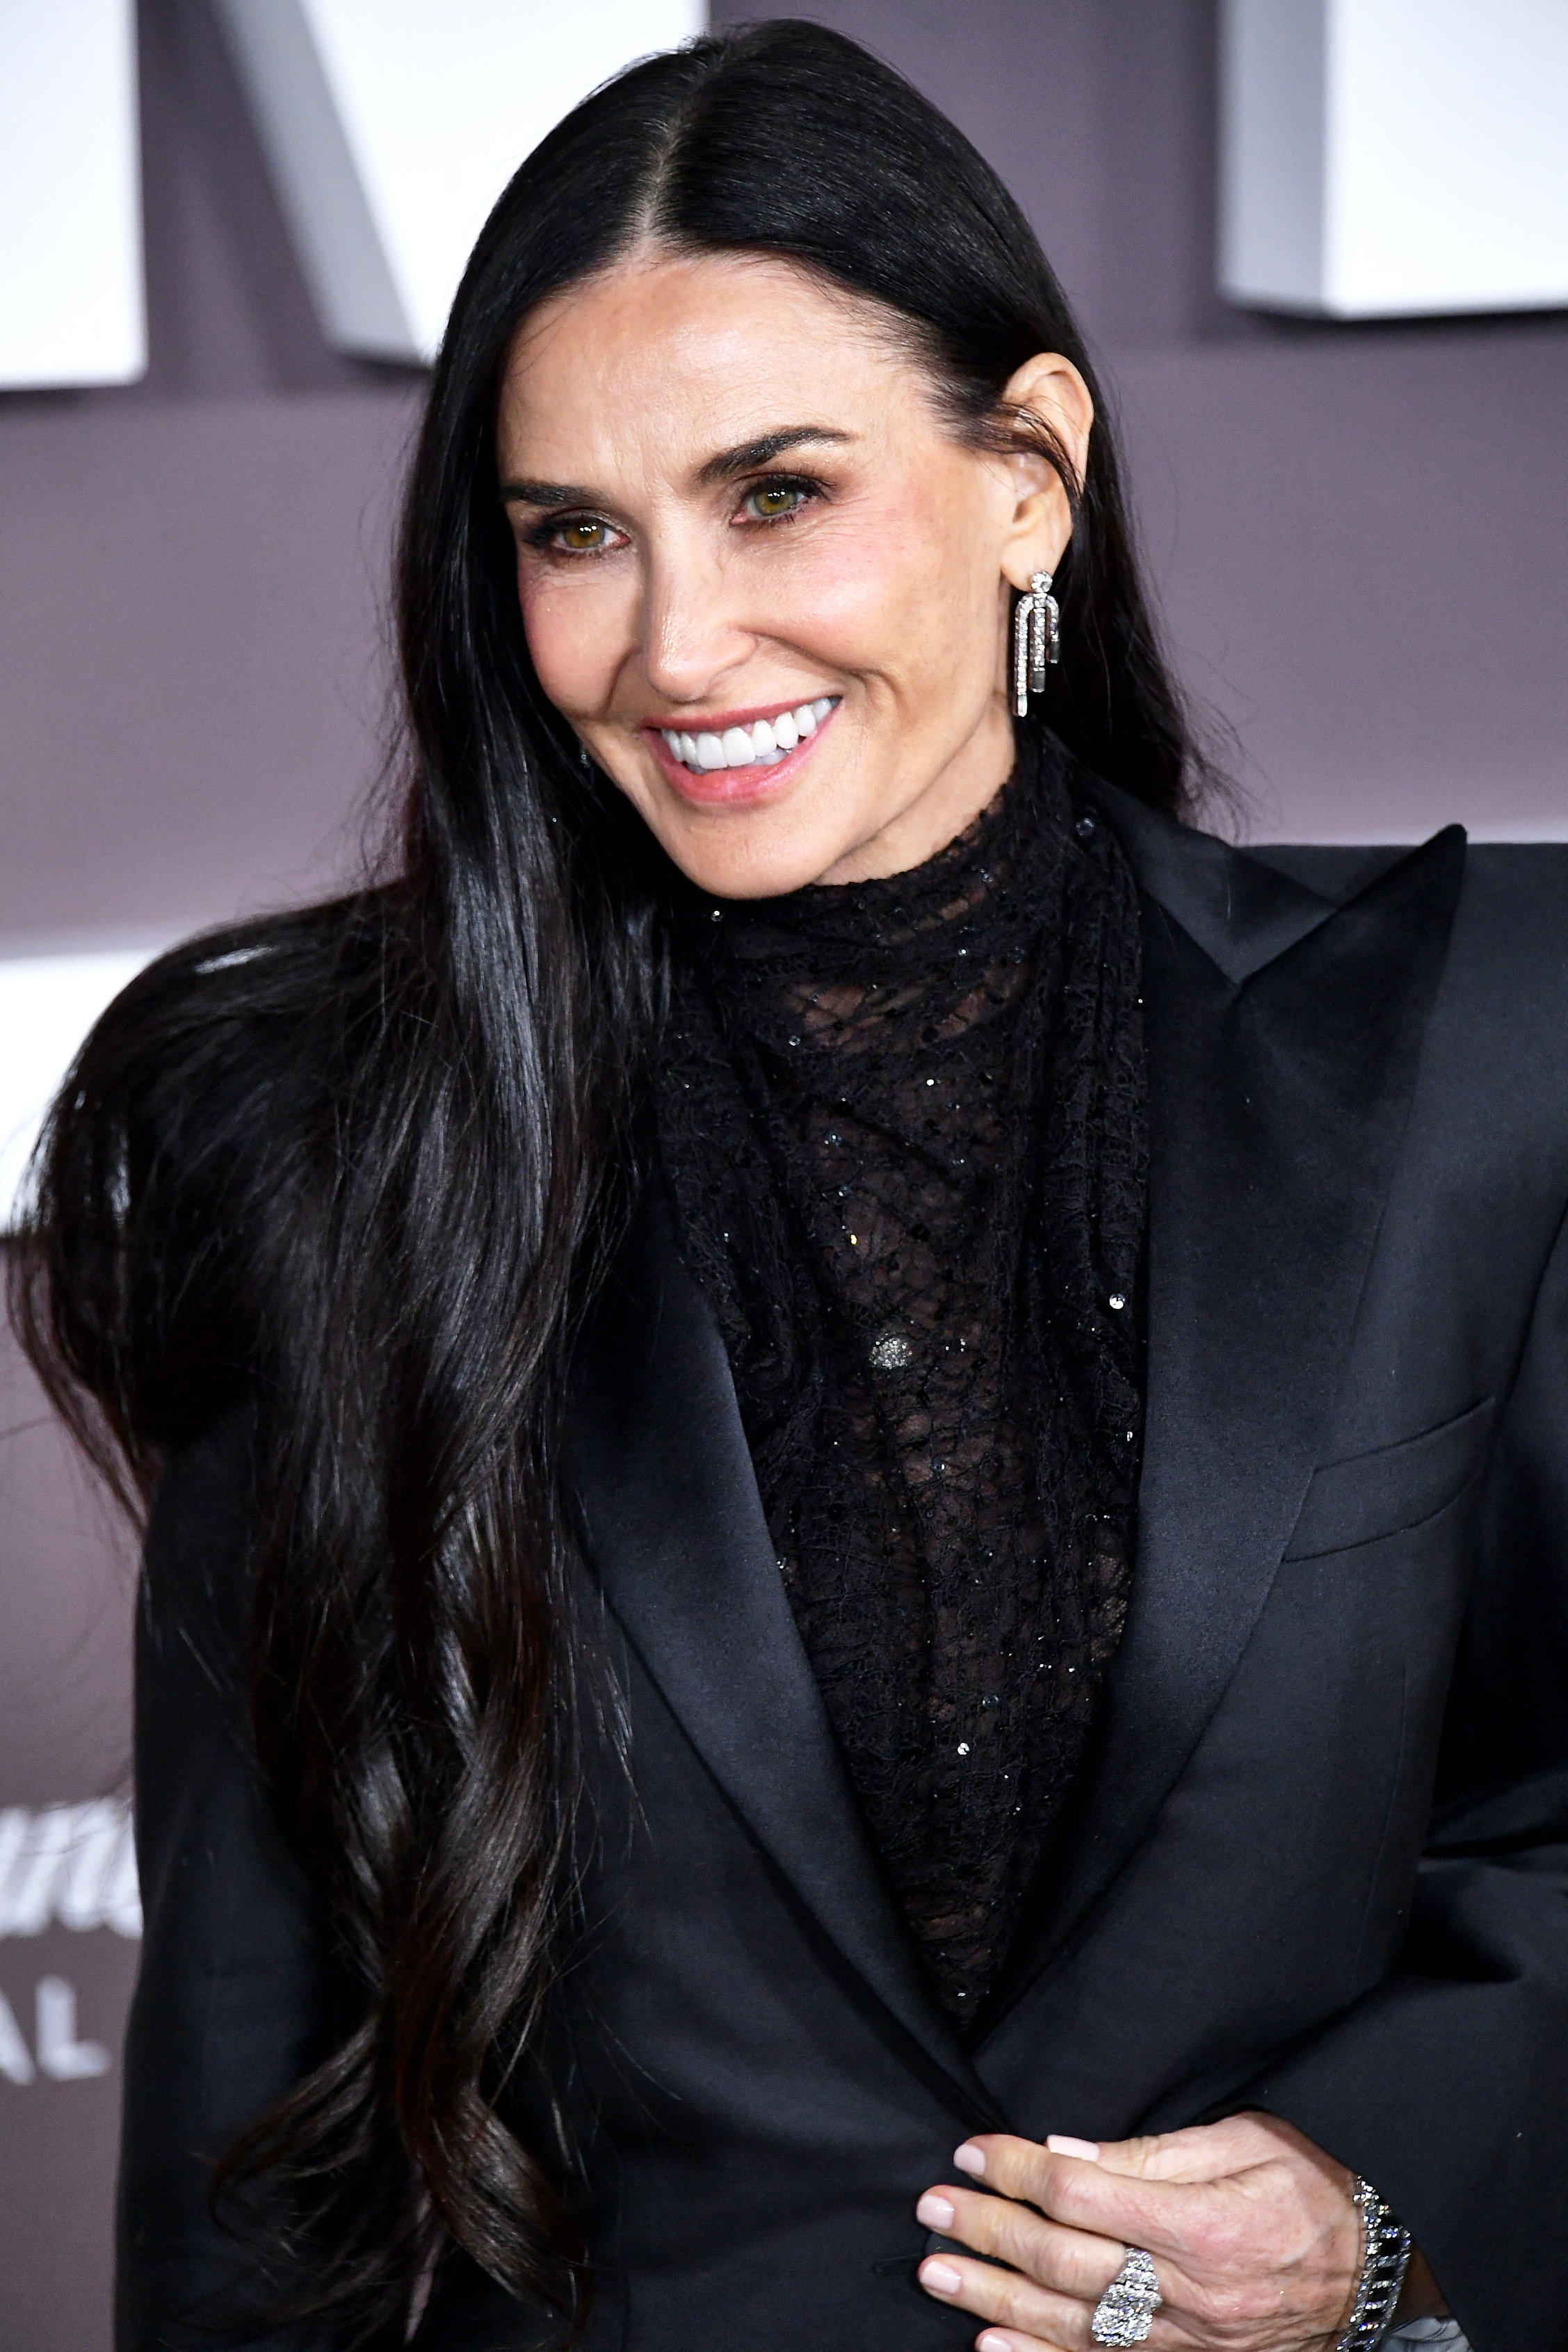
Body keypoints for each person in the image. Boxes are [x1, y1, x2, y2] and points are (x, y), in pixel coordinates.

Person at [12, 21, 1567, 2352]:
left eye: (777, 494)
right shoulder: (332, 1139)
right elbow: (265, 2112)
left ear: (1029, 473)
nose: (674, 645)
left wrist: (1391, 2209)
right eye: (575, 536)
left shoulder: (1483, 1038)